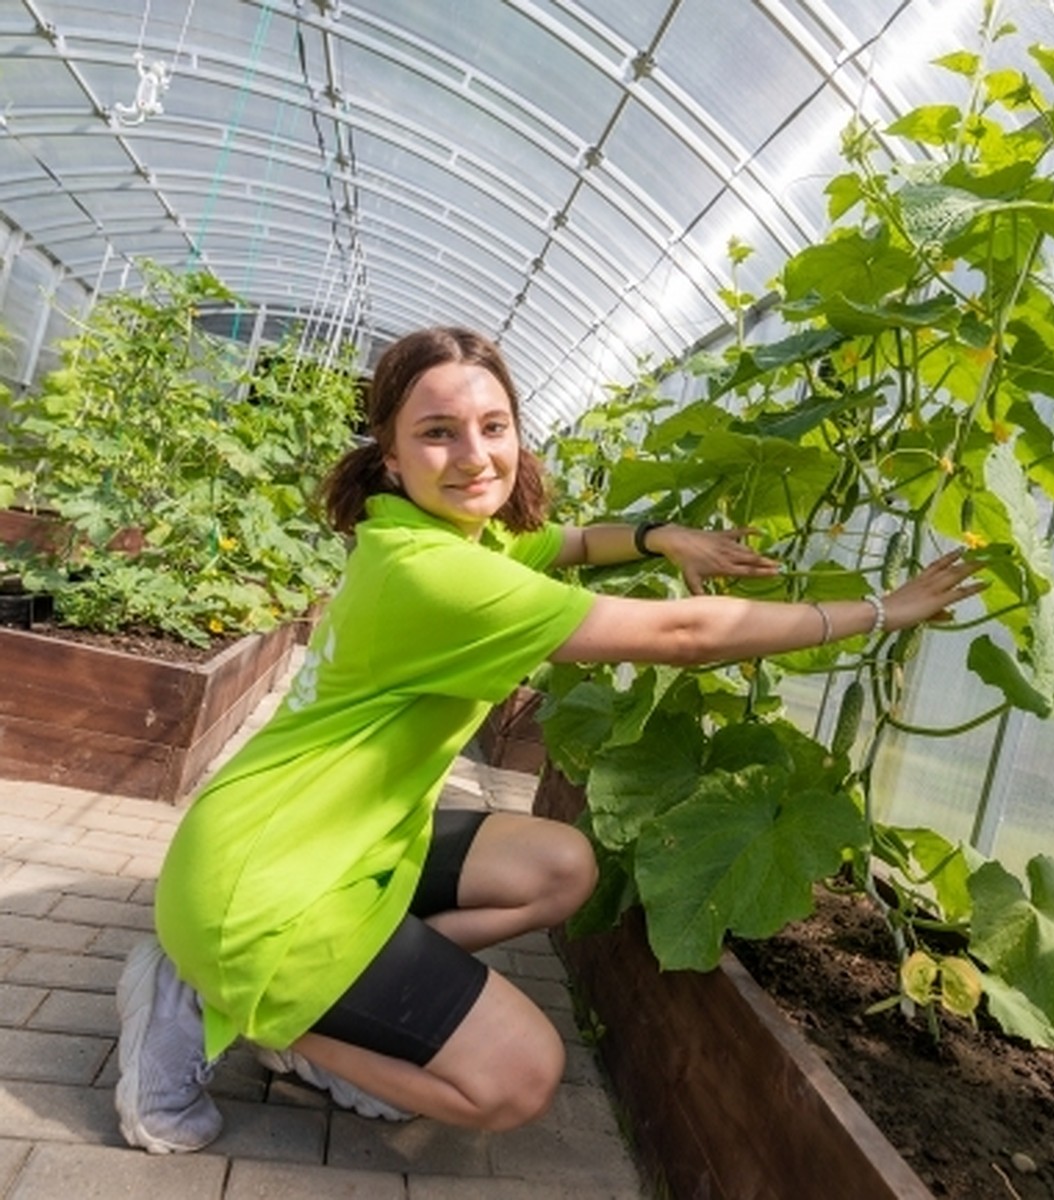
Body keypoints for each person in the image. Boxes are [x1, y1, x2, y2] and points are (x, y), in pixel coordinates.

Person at [114, 325, 983, 1153]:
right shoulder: (438, 578)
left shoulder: (440, 531)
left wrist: (655, 536)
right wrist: (880, 610)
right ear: (391, 455)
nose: (476, 455)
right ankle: (233, 1005)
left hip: (326, 843)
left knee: (560, 866)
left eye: (494, 428)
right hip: (264, 887)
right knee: (519, 1079)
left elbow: (560, 542)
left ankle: (311, 1001)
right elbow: (685, 636)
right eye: (439, 433)